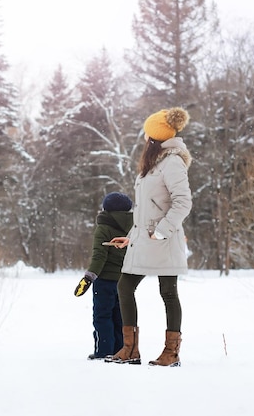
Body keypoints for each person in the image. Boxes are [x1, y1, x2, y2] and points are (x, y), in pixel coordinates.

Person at [105, 107, 192, 367]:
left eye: (147, 134)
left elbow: (183, 202)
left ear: (154, 137)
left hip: (164, 240)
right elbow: (146, 209)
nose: (144, 138)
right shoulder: (153, 163)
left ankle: (171, 353)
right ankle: (130, 349)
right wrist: (131, 237)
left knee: (168, 291)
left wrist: (162, 230)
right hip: (144, 239)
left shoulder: (172, 161)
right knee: (125, 285)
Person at [74, 192, 133, 361]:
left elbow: (99, 256)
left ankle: (103, 350)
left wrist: (88, 278)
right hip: (124, 280)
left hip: (105, 280)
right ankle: (119, 350)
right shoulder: (133, 228)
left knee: (102, 316)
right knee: (119, 316)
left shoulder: (104, 227)